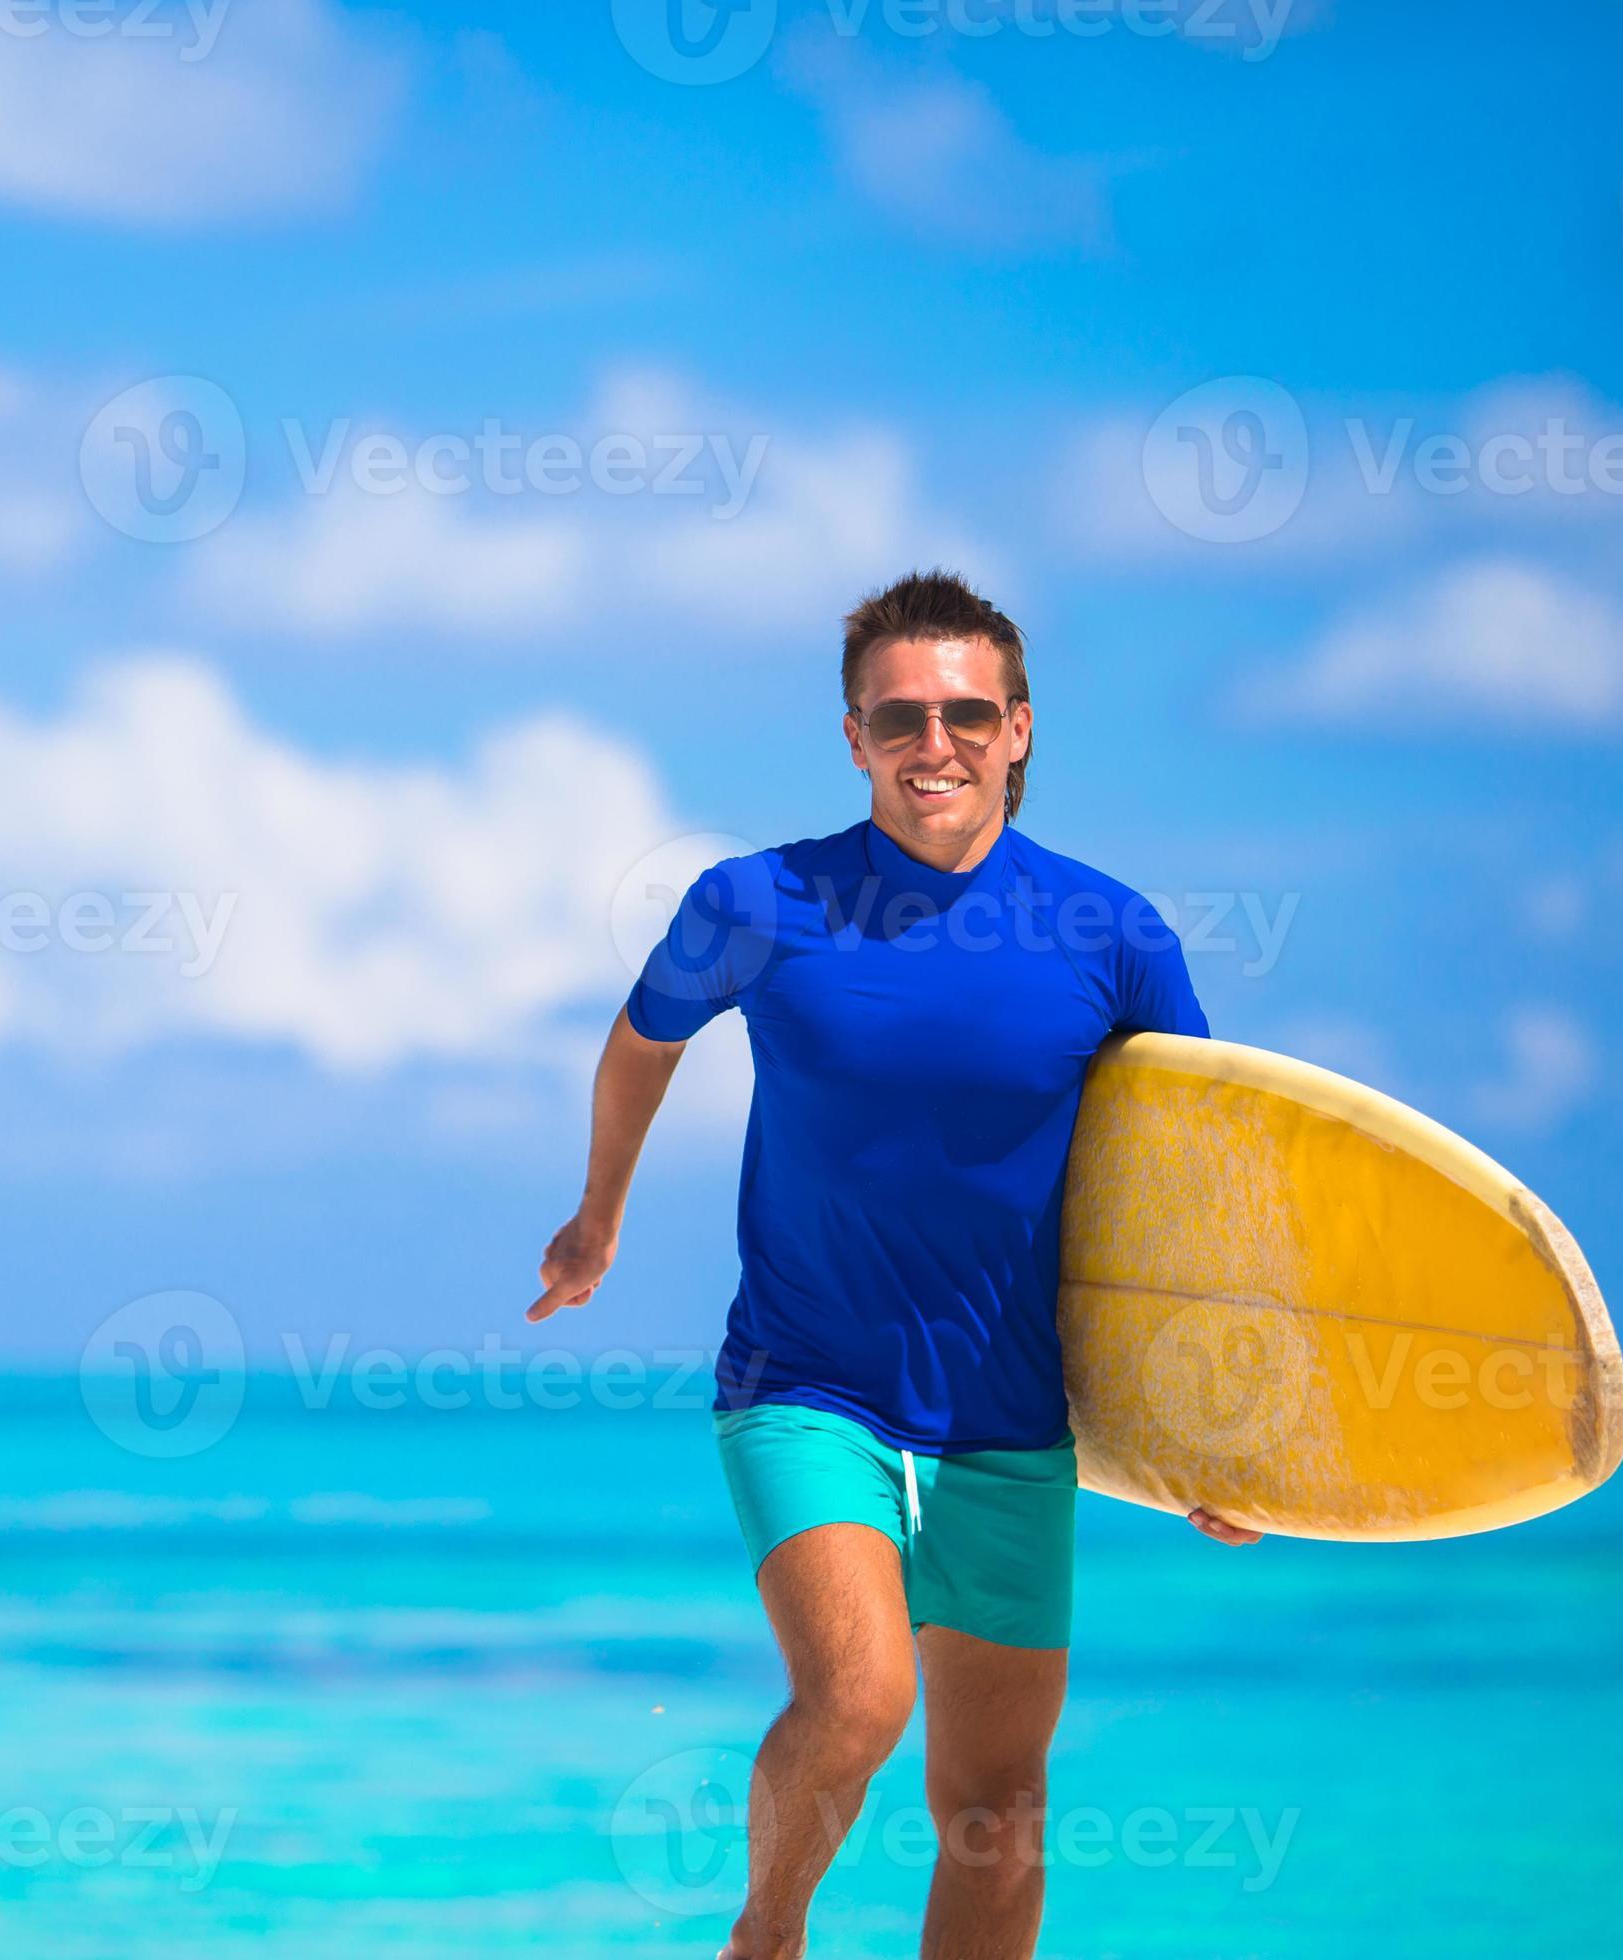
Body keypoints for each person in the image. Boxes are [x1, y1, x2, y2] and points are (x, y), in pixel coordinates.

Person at [528, 570, 1260, 1960]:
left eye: (969, 714)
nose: (939, 745)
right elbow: (644, 1038)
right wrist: (598, 1214)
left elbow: (1192, 1185)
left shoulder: (1111, 934)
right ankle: (768, 1936)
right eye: (901, 717)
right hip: (808, 1383)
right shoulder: (759, 900)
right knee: (860, 1700)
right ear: (854, 738)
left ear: (1022, 729)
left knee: (998, 1811)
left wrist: (1208, 1428)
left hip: (1008, 1413)